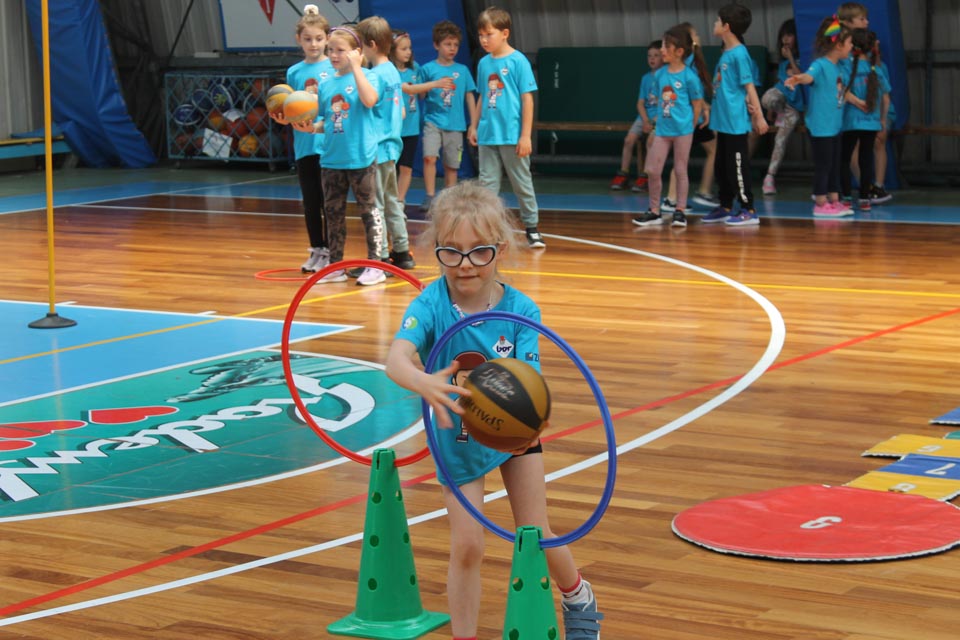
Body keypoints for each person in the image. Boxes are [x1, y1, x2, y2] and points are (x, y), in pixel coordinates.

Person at [385, 181, 603, 640]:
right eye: (451, 251)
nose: (465, 264)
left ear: (500, 250)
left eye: (478, 252)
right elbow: (396, 359)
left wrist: (530, 421)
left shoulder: (522, 310)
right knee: (467, 545)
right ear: (436, 249)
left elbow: (530, 380)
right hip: (458, 439)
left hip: (514, 432)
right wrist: (423, 380)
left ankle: (577, 595)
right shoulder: (430, 305)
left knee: (535, 532)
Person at [311, 25, 385, 285]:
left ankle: (376, 265)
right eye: (330, 50)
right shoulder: (325, 83)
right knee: (332, 213)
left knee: (369, 211)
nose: (333, 55)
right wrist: (311, 126)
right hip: (332, 158)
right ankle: (335, 266)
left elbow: (369, 100)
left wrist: (356, 68)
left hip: (360, 157)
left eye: (340, 50)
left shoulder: (368, 77)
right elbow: (326, 119)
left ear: (356, 52)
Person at [468, 6, 546, 249]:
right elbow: (482, 96)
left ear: (504, 33)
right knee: (487, 187)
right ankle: (488, 232)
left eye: (489, 34)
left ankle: (532, 228)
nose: (484, 40)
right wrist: (474, 125)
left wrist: (525, 135)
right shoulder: (483, 63)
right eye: (481, 35)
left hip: (512, 135)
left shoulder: (518, 61)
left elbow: (527, 100)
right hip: (488, 135)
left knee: (521, 182)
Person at [271, 5, 334, 274]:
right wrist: (284, 118)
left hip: (328, 145)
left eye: (319, 38)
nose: (313, 44)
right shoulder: (294, 72)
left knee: (328, 202)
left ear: (327, 38)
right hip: (304, 145)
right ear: (299, 39)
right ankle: (316, 248)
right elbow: (292, 107)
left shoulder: (333, 67)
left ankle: (331, 251)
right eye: (308, 39)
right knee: (310, 202)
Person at [357, 16, 416, 273]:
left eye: (360, 45)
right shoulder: (393, 71)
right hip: (392, 145)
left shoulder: (373, 75)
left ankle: (379, 258)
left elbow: (368, 103)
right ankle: (402, 252)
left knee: (376, 205)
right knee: (392, 201)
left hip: (378, 148)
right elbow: (401, 112)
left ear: (370, 45)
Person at [701, 3, 769, 226]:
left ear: (727, 26)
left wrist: (759, 116)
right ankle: (726, 205)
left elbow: (749, 87)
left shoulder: (740, 54)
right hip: (723, 122)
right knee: (722, 167)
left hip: (735, 122)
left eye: (718, 21)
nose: (715, 23)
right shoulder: (727, 53)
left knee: (737, 167)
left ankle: (748, 209)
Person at [632, 26, 704, 229]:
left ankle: (679, 211)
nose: (662, 50)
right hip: (663, 131)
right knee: (653, 170)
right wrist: (655, 124)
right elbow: (660, 101)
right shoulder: (660, 75)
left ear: (679, 51)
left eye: (666, 46)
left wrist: (690, 125)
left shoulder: (689, 76)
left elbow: (697, 103)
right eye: (662, 45)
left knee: (680, 169)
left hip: (682, 131)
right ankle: (654, 211)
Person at [785, 16, 855, 218]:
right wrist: (798, 78)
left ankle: (834, 199)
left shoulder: (839, 67)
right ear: (839, 45)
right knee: (824, 165)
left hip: (834, 126)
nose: (852, 46)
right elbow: (809, 76)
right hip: (821, 126)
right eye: (849, 43)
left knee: (834, 164)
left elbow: (842, 91)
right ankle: (820, 202)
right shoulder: (820, 65)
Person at [414, 20, 479, 212]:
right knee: (429, 157)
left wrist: (473, 125)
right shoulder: (427, 69)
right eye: (447, 44)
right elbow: (420, 94)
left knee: (452, 164)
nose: (452, 48)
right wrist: (429, 85)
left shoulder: (462, 70)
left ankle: (449, 197)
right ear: (436, 45)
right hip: (432, 121)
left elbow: (470, 97)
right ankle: (430, 196)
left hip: (455, 124)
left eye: (456, 45)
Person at [661, 22, 718, 213]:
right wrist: (702, 109)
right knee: (684, 158)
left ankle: (677, 197)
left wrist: (705, 107)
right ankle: (680, 197)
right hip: (690, 120)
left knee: (690, 156)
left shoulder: (693, 61)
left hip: (694, 118)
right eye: (695, 35)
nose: (698, 37)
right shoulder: (687, 61)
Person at [839, 29, 890, 211]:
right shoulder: (876, 69)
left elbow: (841, 90)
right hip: (871, 122)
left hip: (851, 122)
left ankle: (846, 198)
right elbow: (886, 98)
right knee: (866, 159)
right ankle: (864, 199)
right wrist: (882, 120)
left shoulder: (846, 67)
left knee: (844, 159)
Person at [609, 40, 663, 192]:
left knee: (650, 142)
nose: (652, 59)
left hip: (660, 117)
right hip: (644, 117)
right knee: (629, 140)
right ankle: (623, 174)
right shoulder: (645, 78)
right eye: (649, 56)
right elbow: (640, 103)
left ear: (663, 57)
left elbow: (667, 105)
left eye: (656, 55)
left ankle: (646, 177)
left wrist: (652, 123)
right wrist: (645, 120)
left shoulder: (667, 76)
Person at [760, 18, 805, 196]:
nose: (785, 39)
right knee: (767, 98)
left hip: (794, 108)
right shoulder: (782, 63)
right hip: (781, 101)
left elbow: (800, 77)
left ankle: (770, 177)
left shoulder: (802, 60)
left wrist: (791, 58)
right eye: (783, 35)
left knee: (780, 140)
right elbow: (780, 85)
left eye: (789, 35)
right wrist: (772, 109)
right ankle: (778, 111)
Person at [389, 29, 421, 208]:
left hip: (411, 127)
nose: (408, 52)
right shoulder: (388, 71)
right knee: (391, 167)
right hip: (393, 128)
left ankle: (400, 201)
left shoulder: (415, 69)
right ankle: (390, 198)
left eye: (409, 48)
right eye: (403, 49)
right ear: (392, 51)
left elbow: (421, 92)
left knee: (406, 167)